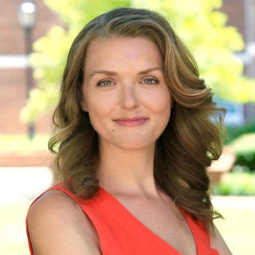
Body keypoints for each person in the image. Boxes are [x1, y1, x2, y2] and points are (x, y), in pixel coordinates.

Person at [26, 7, 232, 255]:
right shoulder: (60, 213)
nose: (129, 102)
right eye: (106, 82)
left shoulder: (191, 208)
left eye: (149, 80)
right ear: (82, 97)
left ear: (173, 93)